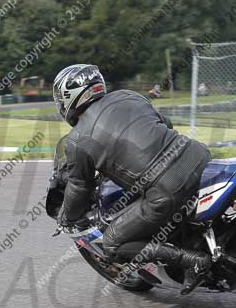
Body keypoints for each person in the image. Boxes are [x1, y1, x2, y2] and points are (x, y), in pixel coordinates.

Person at [53, 64, 212, 294]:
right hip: (199, 155)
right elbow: (165, 123)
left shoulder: (77, 140)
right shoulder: (128, 96)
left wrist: (66, 217)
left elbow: (79, 185)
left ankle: (192, 260)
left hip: (167, 190)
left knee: (113, 244)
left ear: (69, 98)